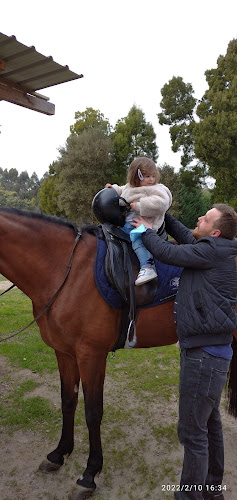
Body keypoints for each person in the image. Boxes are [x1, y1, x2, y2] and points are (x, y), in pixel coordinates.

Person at [131, 204, 237, 500]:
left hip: (203, 357)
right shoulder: (216, 248)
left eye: (205, 218)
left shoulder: (211, 252)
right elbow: (184, 236)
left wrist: (145, 228)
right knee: (210, 422)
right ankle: (212, 489)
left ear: (214, 232)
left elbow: (168, 253)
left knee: (192, 432)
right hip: (213, 355)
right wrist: (165, 213)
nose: (200, 217)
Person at [105, 157, 172, 285]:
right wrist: (113, 189)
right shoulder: (131, 187)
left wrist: (141, 206)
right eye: (147, 176)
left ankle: (147, 267)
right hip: (130, 221)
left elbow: (161, 203)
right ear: (136, 177)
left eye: (153, 176)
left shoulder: (157, 189)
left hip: (146, 223)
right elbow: (122, 189)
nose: (151, 179)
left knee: (137, 240)